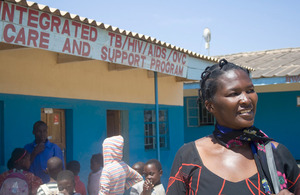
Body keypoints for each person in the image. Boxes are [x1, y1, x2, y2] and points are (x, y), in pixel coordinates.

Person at [166, 59, 300, 195]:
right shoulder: (188, 157)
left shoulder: (276, 154)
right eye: (234, 93)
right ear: (210, 106)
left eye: (250, 90)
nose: (246, 99)